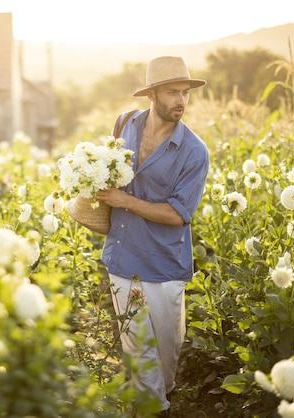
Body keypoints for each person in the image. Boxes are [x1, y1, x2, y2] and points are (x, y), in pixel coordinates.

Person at [96, 56, 209, 413]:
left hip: (163, 263)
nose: (181, 100)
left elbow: (178, 215)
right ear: (152, 94)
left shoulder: (194, 151)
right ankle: (154, 408)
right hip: (122, 255)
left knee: (166, 351)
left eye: (185, 93)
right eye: (173, 92)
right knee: (138, 348)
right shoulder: (125, 123)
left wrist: (123, 200)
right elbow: (107, 167)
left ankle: (164, 392)